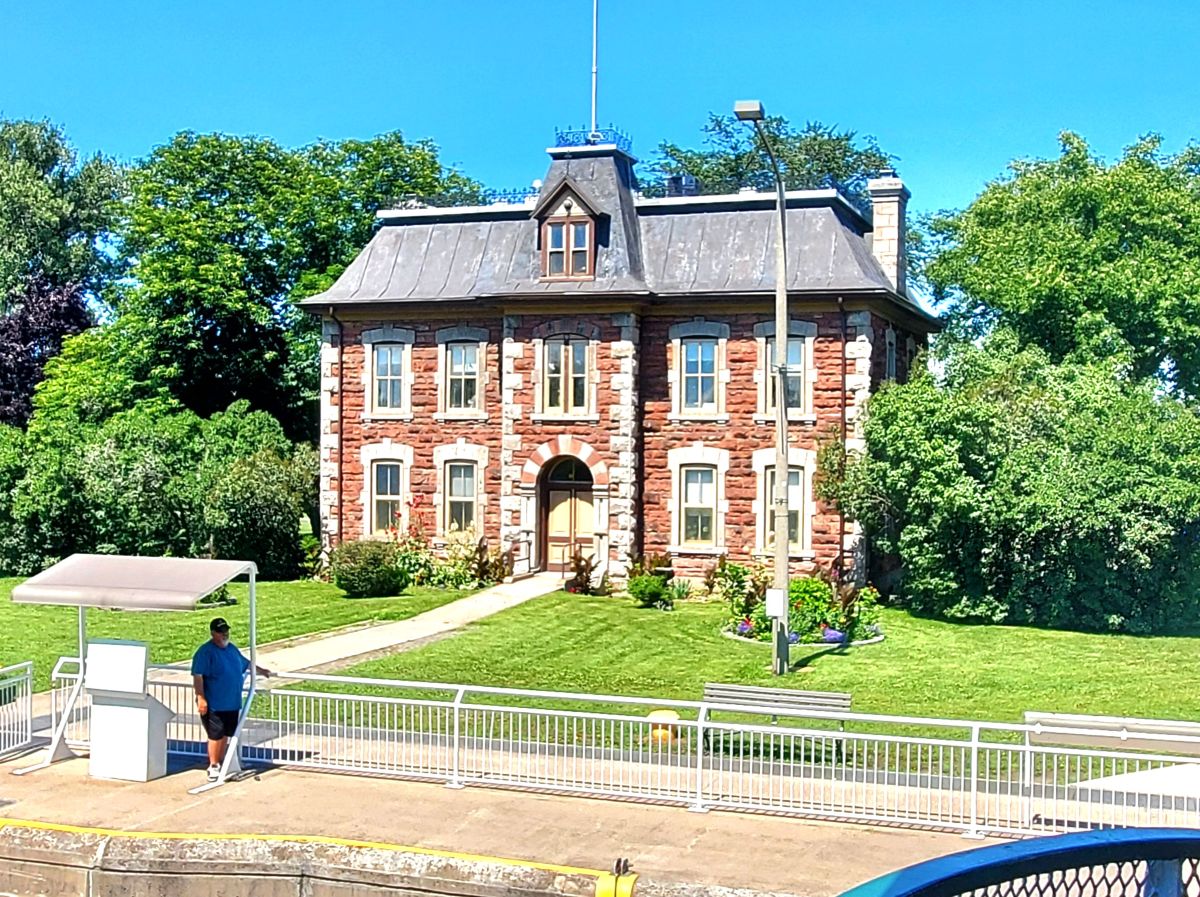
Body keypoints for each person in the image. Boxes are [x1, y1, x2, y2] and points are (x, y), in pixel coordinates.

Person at [191, 617, 271, 781]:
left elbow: (245, 663)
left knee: (226, 734)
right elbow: (197, 676)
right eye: (221, 632)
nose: (225, 634)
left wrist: (261, 670)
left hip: (231, 702)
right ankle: (213, 766)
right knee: (215, 735)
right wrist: (201, 698)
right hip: (214, 703)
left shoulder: (232, 649)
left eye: (226, 631)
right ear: (213, 633)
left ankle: (223, 762)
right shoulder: (205, 653)